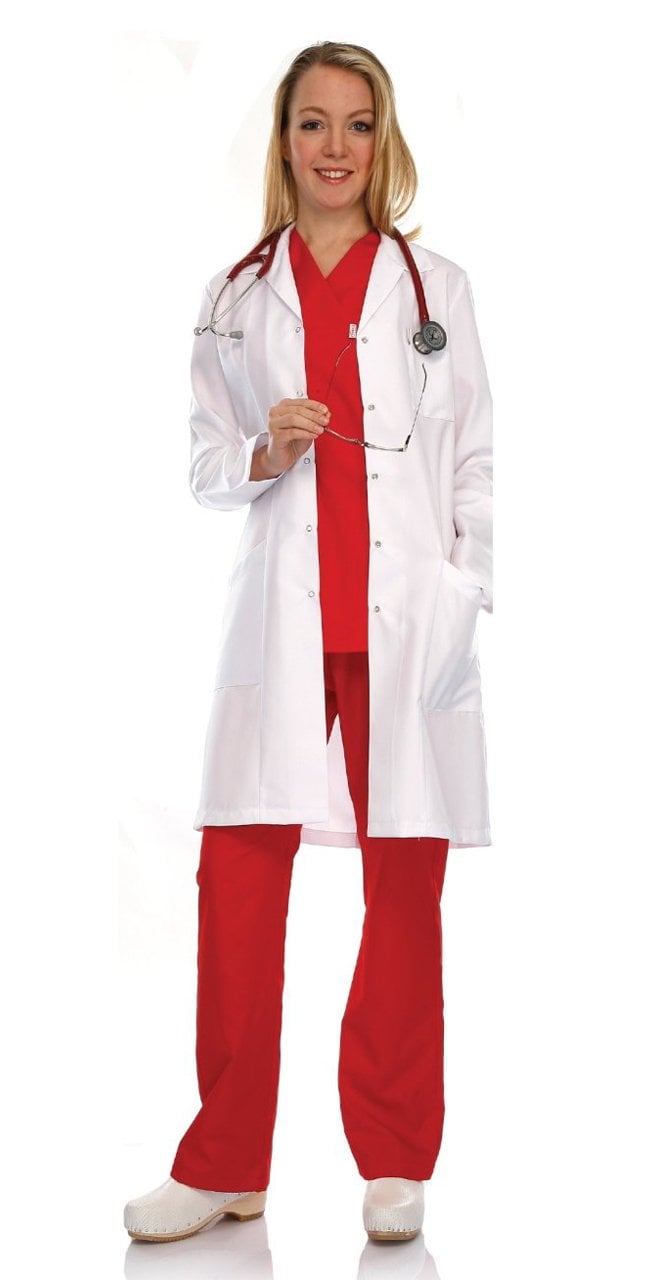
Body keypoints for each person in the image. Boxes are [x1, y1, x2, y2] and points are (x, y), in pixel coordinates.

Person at [124, 39, 493, 1245]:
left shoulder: (436, 287)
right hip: (283, 620)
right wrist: (261, 451)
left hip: (404, 626)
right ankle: (224, 1160)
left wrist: (464, 589)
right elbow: (203, 460)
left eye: (358, 123)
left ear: (385, 142)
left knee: (405, 887)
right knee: (235, 880)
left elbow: (475, 458)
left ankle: (395, 1156)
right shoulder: (236, 295)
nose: (336, 147)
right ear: (282, 142)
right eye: (313, 123)